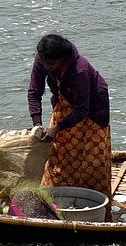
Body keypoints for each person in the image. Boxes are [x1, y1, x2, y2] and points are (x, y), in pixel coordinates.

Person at [27, 33, 112, 219]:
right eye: (44, 62)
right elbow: (34, 92)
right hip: (64, 104)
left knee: (92, 161)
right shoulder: (42, 59)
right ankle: (53, 207)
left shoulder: (79, 70)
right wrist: (38, 123)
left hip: (92, 110)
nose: (46, 67)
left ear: (62, 59)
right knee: (57, 156)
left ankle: (100, 212)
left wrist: (57, 128)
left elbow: (82, 109)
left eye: (51, 64)